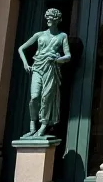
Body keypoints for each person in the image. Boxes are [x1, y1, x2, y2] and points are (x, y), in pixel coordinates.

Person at [18, 8, 71, 138]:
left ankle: (43, 125)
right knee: (34, 98)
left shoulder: (62, 36)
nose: (49, 20)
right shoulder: (39, 35)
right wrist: (25, 63)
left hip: (51, 68)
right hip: (37, 67)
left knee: (46, 98)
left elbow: (68, 56)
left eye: (52, 18)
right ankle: (32, 125)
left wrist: (57, 59)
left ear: (58, 20)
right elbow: (21, 48)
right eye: (47, 18)